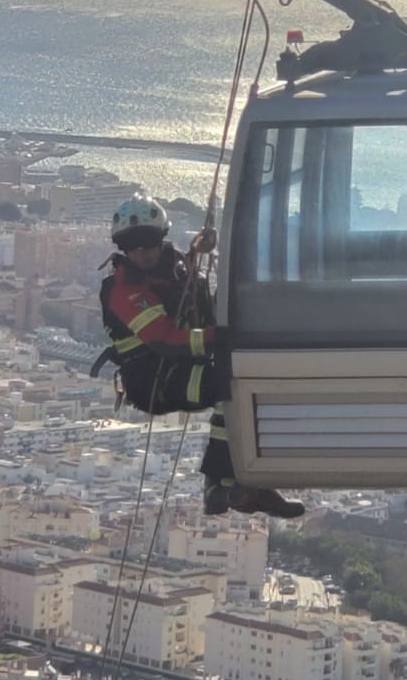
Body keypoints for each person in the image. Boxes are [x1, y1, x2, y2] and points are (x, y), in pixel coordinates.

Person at [97, 195, 304, 520]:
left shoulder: (179, 270)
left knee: (246, 383)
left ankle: (229, 485)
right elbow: (165, 339)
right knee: (232, 386)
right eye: (131, 246)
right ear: (122, 249)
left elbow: (200, 318)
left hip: (180, 369)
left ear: (161, 238)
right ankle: (227, 484)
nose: (140, 252)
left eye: (147, 242)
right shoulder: (123, 290)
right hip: (153, 381)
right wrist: (218, 338)